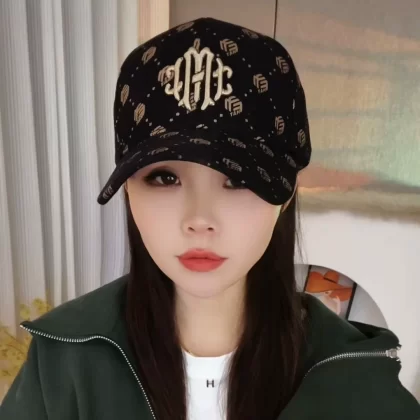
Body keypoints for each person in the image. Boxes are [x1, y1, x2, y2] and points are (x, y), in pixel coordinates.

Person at [1, 17, 419, 420]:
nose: (199, 219)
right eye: (165, 177)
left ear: (286, 193)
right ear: (128, 187)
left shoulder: (358, 383)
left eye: (237, 179)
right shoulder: (61, 361)